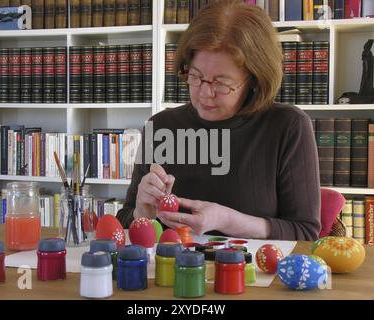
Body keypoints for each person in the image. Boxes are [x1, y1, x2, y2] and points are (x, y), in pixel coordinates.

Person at [117, 0, 320, 241]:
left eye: (221, 83)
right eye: (196, 76)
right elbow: (125, 219)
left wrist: (229, 221)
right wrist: (143, 213)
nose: (205, 94)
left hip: (251, 275)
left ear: (255, 79)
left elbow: (305, 232)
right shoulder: (161, 126)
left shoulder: (288, 126)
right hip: (173, 273)